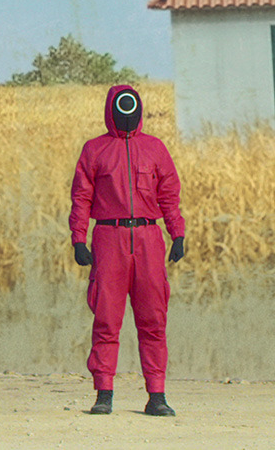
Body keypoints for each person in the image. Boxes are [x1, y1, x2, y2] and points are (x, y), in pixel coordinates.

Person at [69, 84, 185, 416]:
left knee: (153, 320)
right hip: (109, 239)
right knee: (106, 319)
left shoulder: (155, 149)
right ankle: (104, 392)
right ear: (111, 110)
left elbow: (169, 194)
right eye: (121, 107)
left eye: (130, 107)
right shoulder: (94, 150)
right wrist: (78, 239)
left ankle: (157, 396)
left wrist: (177, 233)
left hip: (149, 239)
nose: (126, 113)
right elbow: (81, 198)